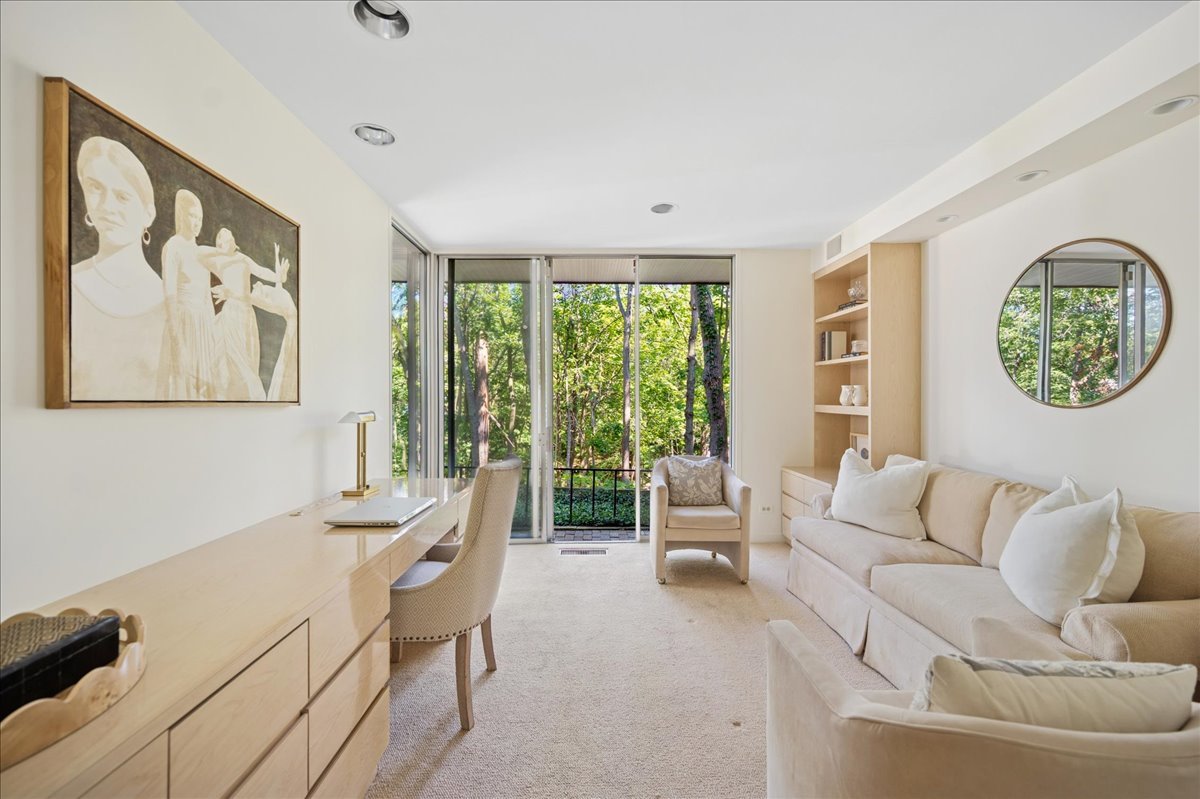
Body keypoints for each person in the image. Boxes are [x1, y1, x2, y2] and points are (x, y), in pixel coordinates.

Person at [69, 136, 165, 400]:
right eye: (96, 189)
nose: (107, 207)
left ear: (148, 214)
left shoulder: (169, 301)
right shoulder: (68, 284)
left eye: (122, 196)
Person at [201, 229, 289, 401]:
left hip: (247, 315)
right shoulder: (219, 262)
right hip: (231, 314)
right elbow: (199, 254)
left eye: (225, 237)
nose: (221, 239)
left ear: (233, 240)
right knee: (236, 361)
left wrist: (280, 275)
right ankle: (251, 399)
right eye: (219, 239)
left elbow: (266, 274)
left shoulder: (243, 259)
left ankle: (249, 400)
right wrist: (218, 251)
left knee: (249, 360)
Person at [159, 189, 226, 399]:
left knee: (203, 388)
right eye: (192, 216)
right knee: (182, 385)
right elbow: (169, 295)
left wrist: (212, 331)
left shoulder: (200, 251)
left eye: (200, 218)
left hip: (203, 325)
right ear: (181, 215)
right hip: (184, 322)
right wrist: (177, 339)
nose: (197, 222)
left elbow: (206, 295)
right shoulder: (173, 247)